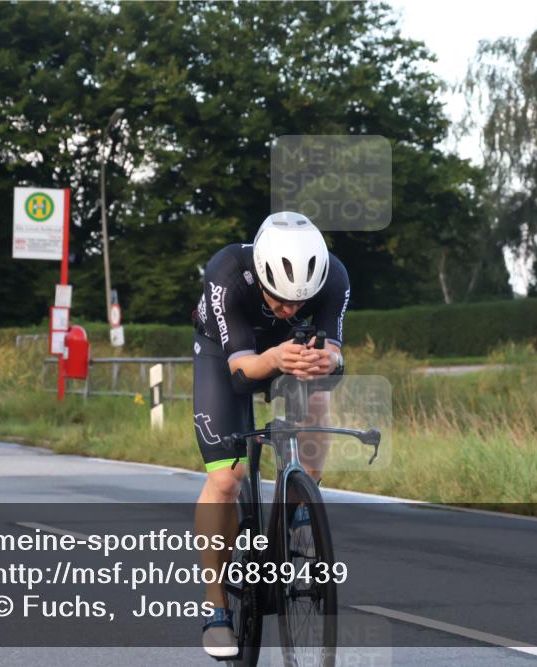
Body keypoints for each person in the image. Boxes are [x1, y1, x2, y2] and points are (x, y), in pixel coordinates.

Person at [192, 211, 349, 658]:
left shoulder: (334, 276)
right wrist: (277, 358)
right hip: (224, 356)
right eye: (280, 301)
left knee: (318, 400)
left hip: (290, 354)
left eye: (300, 302)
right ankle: (217, 605)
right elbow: (242, 372)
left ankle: (300, 504)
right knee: (227, 478)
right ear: (260, 276)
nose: (290, 310)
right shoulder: (226, 273)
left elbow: (336, 353)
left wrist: (328, 362)